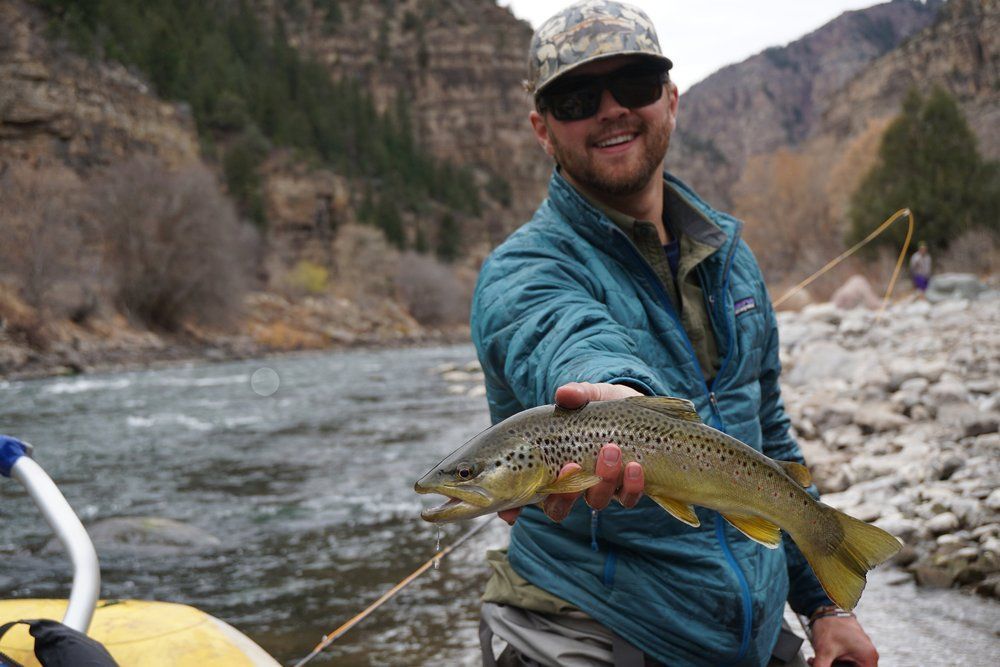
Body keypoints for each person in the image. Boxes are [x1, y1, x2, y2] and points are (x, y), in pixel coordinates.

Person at [469, 2, 881, 666]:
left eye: (633, 83)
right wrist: (621, 402)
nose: (610, 109)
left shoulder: (731, 258)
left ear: (671, 98)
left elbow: (765, 438)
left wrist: (824, 604)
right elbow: (564, 335)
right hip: (586, 631)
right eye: (578, 97)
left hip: (742, 631)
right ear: (542, 129)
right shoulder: (523, 272)